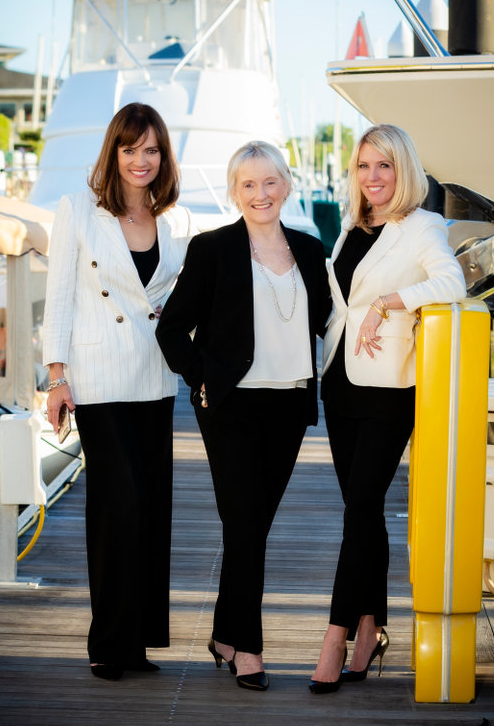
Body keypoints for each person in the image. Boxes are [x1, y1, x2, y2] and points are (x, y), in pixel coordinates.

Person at [156, 141, 330, 692]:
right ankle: (248, 650)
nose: (261, 193)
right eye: (249, 184)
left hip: (289, 403)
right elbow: (171, 329)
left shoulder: (310, 250)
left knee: (250, 527)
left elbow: (330, 319)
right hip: (230, 406)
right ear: (235, 192)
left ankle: (224, 634)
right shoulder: (212, 249)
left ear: (287, 185)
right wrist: (201, 377)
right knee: (246, 523)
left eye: (270, 181)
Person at [309, 123, 466, 694]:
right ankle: (371, 627)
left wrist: (389, 302)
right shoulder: (353, 226)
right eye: (363, 166)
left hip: (389, 387)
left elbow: (452, 283)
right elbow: (339, 304)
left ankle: (335, 636)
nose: (372, 177)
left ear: (404, 170)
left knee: (360, 509)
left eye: (384, 166)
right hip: (340, 381)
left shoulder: (423, 226)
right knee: (363, 510)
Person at [42, 102, 194, 681]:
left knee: (151, 510)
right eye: (130, 149)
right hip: (99, 378)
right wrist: (57, 378)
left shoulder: (174, 219)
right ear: (114, 151)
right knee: (118, 507)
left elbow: (185, 299)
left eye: (151, 150)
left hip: (154, 378)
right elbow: (59, 297)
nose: (140, 160)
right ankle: (107, 642)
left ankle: (137, 642)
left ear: (163, 156)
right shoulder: (79, 209)